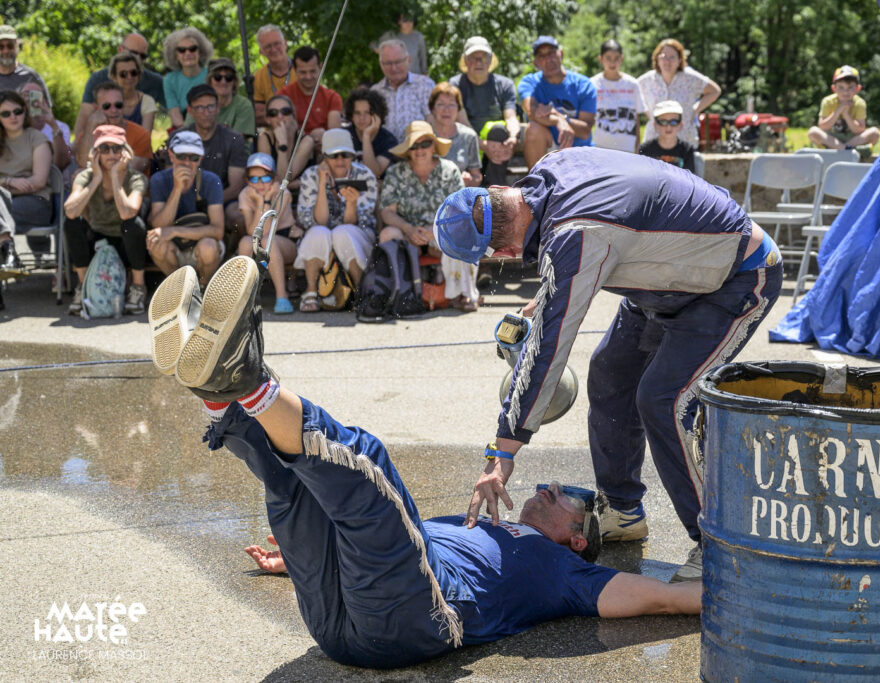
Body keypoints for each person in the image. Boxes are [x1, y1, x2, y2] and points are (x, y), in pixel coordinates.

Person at [145, 254, 702, 667]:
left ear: (577, 539)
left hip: (414, 619)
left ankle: (244, 377)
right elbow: (377, 543)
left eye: (569, 497)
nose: (550, 487)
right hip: (336, 617)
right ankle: (215, 390)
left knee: (365, 464)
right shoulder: (484, 526)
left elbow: (656, 598)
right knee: (297, 487)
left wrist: (718, 597)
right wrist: (297, 560)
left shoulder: (568, 572)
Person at [434, 147, 783, 582]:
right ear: (500, 189)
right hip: (665, 277)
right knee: (609, 374)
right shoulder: (551, 166)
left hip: (735, 277)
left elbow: (550, 348)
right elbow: (612, 233)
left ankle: (718, 545)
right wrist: (549, 296)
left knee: (665, 400)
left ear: (502, 251)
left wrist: (502, 451)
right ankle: (623, 508)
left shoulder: (576, 233)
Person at [380, 121, 478, 312]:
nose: (420, 150)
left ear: (433, 146)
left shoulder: (449, 170)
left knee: (465, 236)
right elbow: (387, 211)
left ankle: (465, 294)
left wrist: (436, 232)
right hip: (408, 232)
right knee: (387, 234)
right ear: (408, 150)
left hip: (442, 231)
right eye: (414, 145)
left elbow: (461, 212)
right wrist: (408, 229)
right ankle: (399, 293)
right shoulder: (395, 172)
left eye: (425, 144)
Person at [63, 125, 148, 315]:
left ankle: (138, 286)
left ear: (125, 153)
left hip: (125, 242)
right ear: (95, 153)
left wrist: (115, 177)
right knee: (72, 222)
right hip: (97, 238)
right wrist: (96, 179)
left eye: (117, 149)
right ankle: (83, 285)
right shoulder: (86, 176)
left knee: (133, 224)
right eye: (104, 148)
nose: (111, 154)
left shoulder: (136, 178)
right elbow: (70, 211)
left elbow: (128, 213)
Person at [294, 128, 378, 312]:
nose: (340, 160)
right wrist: (322, 184)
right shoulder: (311, 175)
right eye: (334, 155)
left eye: (345, 155)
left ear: (352, 156)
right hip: (321, 234)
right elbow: (317, 222)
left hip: (355, 236)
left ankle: (361, 290)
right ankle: (310, 290)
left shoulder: (365, 176)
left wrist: (351, 204)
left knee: (342, 232)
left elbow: (360, 223)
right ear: (324, 157)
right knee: (318, 232)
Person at [146, 131, 224, 286]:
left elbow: (217, 231)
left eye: (194, 157)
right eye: (181, 156)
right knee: (156, 244)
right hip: (174, 247)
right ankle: (180, 288)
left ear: (200, 159)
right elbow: (159, 225)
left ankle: (203, 288)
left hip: (202, 245)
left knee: (208, 247)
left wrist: (175, 231)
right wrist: (177, 189)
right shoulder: (159, 180)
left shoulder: (211, 181)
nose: (187, 163)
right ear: (171, 155)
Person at [448, 36, 519, 186]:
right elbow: (462, 121)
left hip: (496, 143)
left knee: (499, 131)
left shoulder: (505, 84)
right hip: (468, 141)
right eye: (473, 57)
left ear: (491, 59)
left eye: (483, 57)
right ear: (465, 60)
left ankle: (496, 187)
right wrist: (482, 144)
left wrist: (513, 137)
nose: (479, 62)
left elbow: (511, 117)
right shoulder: (455, 85)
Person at [518, 36, 596, 169]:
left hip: (578, 149)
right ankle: (535, 180)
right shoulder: (529, 83)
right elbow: (533, 113)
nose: (548, 59)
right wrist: (558, 121)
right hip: (547, 147)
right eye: (541, 56)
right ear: (535, 63)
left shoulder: (583, 84)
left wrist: (562, 118)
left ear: (561, 54)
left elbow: (585, 131)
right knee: (534, 128)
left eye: (551, 53)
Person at [182, 84, 247, 240]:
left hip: (225, 198)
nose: (206, 113)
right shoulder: (180, 139)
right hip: (187, 198)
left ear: (218, 108)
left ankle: (235, 251)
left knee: (238, 219)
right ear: (190, 111)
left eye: (210, 107)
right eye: (200, 108)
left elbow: (236, 187)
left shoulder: (233, 138)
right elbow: (172, 179)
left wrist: (210, 204)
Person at [237, 153, 297, 315]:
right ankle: (243, 298)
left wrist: (267, 200)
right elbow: (252, 231)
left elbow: (268, 229)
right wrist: (261, 202)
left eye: (265, 178)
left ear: (274, 178)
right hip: (261, 238)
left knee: (269, 242)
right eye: (254, 179)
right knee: (245, 242)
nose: (260, 184)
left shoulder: (283, 193)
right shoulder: (245, 194)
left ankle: (282, 296)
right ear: (247, 180)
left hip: (286, 241)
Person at [0, 90, 52, 271]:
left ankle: (8, 254)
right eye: (5, 114)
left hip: (36, 202)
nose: (13, 117)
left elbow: (38, 182)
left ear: (25, 111)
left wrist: (5, 188)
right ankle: (7, 252)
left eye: (17, 111)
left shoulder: (36, 138)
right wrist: (10, 181)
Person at [637, 38, 720, 150]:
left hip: (684, 138)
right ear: (657, 58)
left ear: (680, 60)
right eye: (664, 56)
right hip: (654, 139)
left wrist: (694, 110)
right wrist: (648, 113)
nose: (667, 61)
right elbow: (633, 93)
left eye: (672, 57)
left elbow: (715, 91)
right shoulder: (647, 80)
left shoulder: (690, 78)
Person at [73, 82, 153, 176]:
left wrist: (92, 171)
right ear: (96, 108)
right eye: (107, 106)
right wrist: (90, 126)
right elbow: (82, 163)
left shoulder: (141, 135)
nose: (114, 110)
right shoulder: (88, 134)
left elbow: (130, 170)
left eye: (118, 105)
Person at [79, 32, 165, 111]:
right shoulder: (98, 79)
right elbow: (85, 115)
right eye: (133, 53)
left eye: (142, 56)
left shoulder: (155, 82)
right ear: (120, 49)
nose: (138, 59)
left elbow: (172, 109)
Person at [807, 65, 880, 153]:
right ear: (834, 88)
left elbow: (859, 130)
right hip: (833, 139)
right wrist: (838, 110)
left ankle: (839, 150)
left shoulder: (859, 103)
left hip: (852, 139)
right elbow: (823, 127)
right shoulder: (827, 101)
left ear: (858, 88)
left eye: (850, 87)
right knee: (813, 132)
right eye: (841, 87)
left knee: (875, 133)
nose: (846, 92)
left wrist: (846, 114)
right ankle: (848, 150)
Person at [277, 46, 343, 144]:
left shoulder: (332, 97)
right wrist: (308, 138)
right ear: (294, 70)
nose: (308, 77)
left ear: (320, 67)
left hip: (325, 147)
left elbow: (335, 134)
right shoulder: (283, 96)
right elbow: (280, 128)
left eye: (312, 71)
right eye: (303, 72)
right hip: (295, 147)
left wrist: (323, 135)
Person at [371, 39, 435, 140]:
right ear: (381, 65)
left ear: (408, 60)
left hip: (418, 147)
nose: (394, 68)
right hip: (385, 149)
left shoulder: (425, 85)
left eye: (398, 62)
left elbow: (433, 121)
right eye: (388, 63)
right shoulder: (375, 93)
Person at [590, 39, 643, 154]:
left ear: (622, 58)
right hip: (600, 149)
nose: (612, 63)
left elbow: (636, 118)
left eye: (616, 58)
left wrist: (637, 147)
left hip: (627, 149)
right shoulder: (592, 84)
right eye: (608, 58)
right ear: (600, 59)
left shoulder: (632, 84)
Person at [255, 93, 315, 193]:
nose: (280, 116)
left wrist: (282, 144)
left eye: (285, 111)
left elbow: (285, 179)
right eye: (273, 113)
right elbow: (269, 180)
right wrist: (282, 144)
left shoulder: (306, 141)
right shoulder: (264, 138)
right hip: (274, 196)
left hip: (303, 196)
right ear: (268, 119)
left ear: (293, 115)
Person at [184, 58, 255, 140]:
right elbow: (188, 135)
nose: (223, 82)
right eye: (217, 77)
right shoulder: (197, 103)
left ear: (234, 81)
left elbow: (237, 139)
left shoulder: (243, 105)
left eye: (228, 77)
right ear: (210, 81)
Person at [430, 83, 481, 187]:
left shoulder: (469, 136)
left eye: (451, 104)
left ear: (458, 109)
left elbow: (477, 177)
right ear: (432, 108)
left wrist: (470, 180)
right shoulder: (424, 135)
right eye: (440, 104)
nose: (446, 109)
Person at [341, 86, 398, 179]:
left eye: (367, 113)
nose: (362, 118)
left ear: (377, 115)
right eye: (357, 113)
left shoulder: (388, 140)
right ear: (351, 115)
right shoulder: (343, 135)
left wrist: (366, 136)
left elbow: (373, 173)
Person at [162, 27, 213, 129]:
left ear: (200, 52)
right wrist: (188, 133)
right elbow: (174, 112)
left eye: (193, 49)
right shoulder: (169, 80)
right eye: (182, 50)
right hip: (184, 127)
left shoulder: (212, 75)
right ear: (175, 55)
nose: (188, 53)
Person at [20, 82, 71, 172]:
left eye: (35, 95)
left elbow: (61, 164)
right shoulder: (13, 124)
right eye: (25, 95)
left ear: (45, 102)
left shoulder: (60, 127)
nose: (29, 99)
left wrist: (53, 125)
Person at [252, 25, 296, 127]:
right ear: (261, 51)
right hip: (272, 131)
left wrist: (272, 113)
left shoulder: (301, 70)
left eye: (277, 43)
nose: (273, 49)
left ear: (285, 44)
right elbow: (258, 116)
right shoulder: (258, 77)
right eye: (268, 46)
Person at [105, 52, 157, 132]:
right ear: (114, 77)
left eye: (133, 73)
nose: (129, 77)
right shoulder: (105, 101)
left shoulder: (147, 101)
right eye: (123, 74)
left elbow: (145, 136)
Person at [638, 100, 695, 172]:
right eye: (663, 122)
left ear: (681, 125)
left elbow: (689, 177)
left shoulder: (687, 150)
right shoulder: (645, 149)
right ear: (655, 125)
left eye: (673, 122)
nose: (668, 127)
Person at [0, 25, 51, 102]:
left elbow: (44, 108)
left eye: (10, 46)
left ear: (16, 47)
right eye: (1, 47)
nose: (6, 51)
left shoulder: (31, 78)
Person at [375, 11, 428, 76]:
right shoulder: (391, 35)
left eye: (410, 20)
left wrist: (425, 75)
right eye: (405, 20)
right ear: (399, 21)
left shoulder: (419, 37)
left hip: (415, 77)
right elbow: (373, 45)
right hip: (396, 77)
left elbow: (423, 58)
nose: (408, 23)